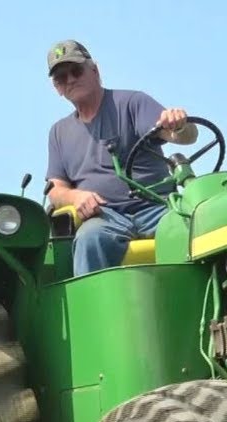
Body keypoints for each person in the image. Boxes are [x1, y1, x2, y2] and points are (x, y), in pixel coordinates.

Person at [43, 39, 197, 276]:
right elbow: (55, 189)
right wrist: (76, 197)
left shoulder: (132, 103)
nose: (70, 79)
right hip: (106, 217)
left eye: (76, 70)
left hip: (156, 207)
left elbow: (184, 135)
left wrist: (178, 124)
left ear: (94, 70)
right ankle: (92, 311)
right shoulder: (59, 132)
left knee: (191, 225)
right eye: (61, 78)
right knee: (89, 238)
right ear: (57, 88)